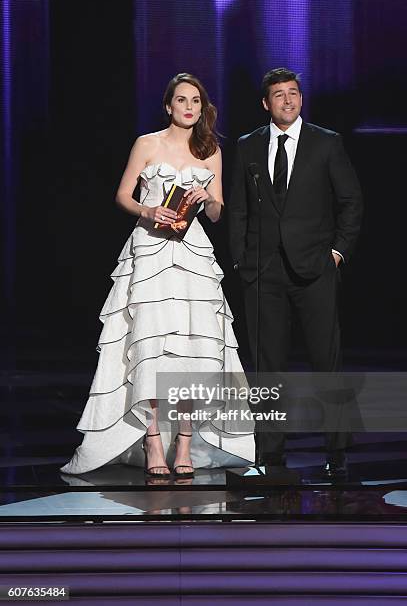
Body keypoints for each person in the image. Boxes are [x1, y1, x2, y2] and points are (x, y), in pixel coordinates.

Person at [61, 73, 254, 478]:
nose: (189, 107)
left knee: (192, 347)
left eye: (196, 101)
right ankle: (152, 440)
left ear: (202, 108)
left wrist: (208, 199)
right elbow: (122, 195)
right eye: (181, 100)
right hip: (150, 252)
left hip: (193, 254)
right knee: (151, 344)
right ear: (168, 106)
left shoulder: (211, 149)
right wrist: (147, 211)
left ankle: (183, 442)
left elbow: (219, 212)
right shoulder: (147, 144)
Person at [229, 68, 363, 476]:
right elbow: (238, 208)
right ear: (266, 103)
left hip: (315, 269)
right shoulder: (248, 146)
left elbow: (351, 203)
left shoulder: (327, 142)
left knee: (327, 361)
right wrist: (241, 260)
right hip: (263, 272)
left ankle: (337, 450)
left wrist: (337, 253)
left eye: (293, 94)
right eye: (278, 95)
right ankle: (271, 452)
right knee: (269, 366)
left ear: (301, 99)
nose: (287, 101)